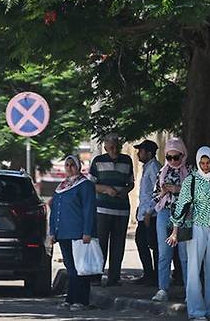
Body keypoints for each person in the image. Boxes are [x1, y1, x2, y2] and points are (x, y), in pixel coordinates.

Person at [168, 146, 210, 320]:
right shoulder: (192, 180)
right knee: (193, 270)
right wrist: (175, 231)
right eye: (203, 163)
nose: (206, 166)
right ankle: (196, 310)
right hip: (197, 228)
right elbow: (182, 206)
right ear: (198, 162)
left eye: (208, 163)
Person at [50, 155, 97, 312]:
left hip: (78, 233)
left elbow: (89, 209)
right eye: (67, 165)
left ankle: (81, 300)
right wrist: (52, 233)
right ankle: (70, 298)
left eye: (72, 165)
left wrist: (87, 231)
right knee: (70, 268)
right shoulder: (62, 186)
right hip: (63, 233)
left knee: (81, 268)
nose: (69, 167)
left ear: (79, 166)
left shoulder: (85, 185)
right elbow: (54, 210)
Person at [89, 133, 135, 286]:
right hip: (102, 209)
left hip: (121, 209)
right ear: (105, 147)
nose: (115, 150)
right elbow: (91, 185)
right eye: (111, 147)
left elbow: (131, 183)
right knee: (100, 243)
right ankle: (96, 275)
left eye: (117, 147)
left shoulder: (127, 160)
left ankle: (114, 277)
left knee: (118, 244)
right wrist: (106, 189)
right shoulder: (98, 161)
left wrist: (125, 191)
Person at [151, 137, 189, 302]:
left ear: (183, 155)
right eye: (169, 157)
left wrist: (177, 189)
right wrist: (164, 193)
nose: (173, 161)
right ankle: (162, 288)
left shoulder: (189, 172)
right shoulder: (162, 172)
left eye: (176, 157)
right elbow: (154, 198)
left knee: (185, 255)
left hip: (184, 215)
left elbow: (194, 195)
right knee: (164, 253)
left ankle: (190, 290)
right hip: (164, 213)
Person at [132, 139, 161, 285]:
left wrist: (149, 211)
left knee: (153, 244)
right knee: (142, 242)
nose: (138, 154)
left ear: (149, 153)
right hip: (144, 213)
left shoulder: (154, 167)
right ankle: (149, 273)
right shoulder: (147, 167)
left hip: (152, 214)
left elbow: (157, 192)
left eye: (141, 151)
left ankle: (155, 275)